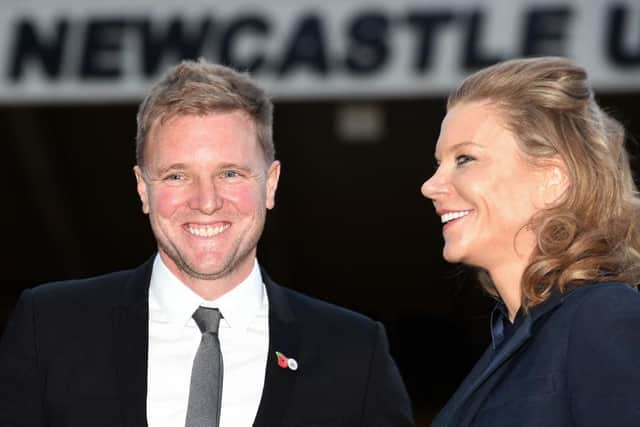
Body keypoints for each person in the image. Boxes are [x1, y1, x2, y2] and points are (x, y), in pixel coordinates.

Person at [0, 60, 414, 427]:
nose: (206, 201)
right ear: (143, 189)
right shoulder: (49, 329)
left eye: (230, 174)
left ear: (270, 184)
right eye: (177, 176)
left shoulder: (354, 354)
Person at [422, 57, 640, 426]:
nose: (430, 186)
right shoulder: (510, 340)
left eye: (464, 159)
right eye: (439, 163)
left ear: (552, 178)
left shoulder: (602, 315)